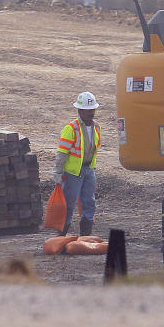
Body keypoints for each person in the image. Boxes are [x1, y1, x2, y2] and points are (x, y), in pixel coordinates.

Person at [53, 91, 101, 236]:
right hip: (73, 173)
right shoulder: (71, 129)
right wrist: (58, 172)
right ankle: (61, 236)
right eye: (88, 110)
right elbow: (62, 153)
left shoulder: (96, 127)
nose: (91, 113)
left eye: (93, 109)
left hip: (88, 170)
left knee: (89, 202)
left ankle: (86, 236)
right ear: (80, 111)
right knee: (68, 204)